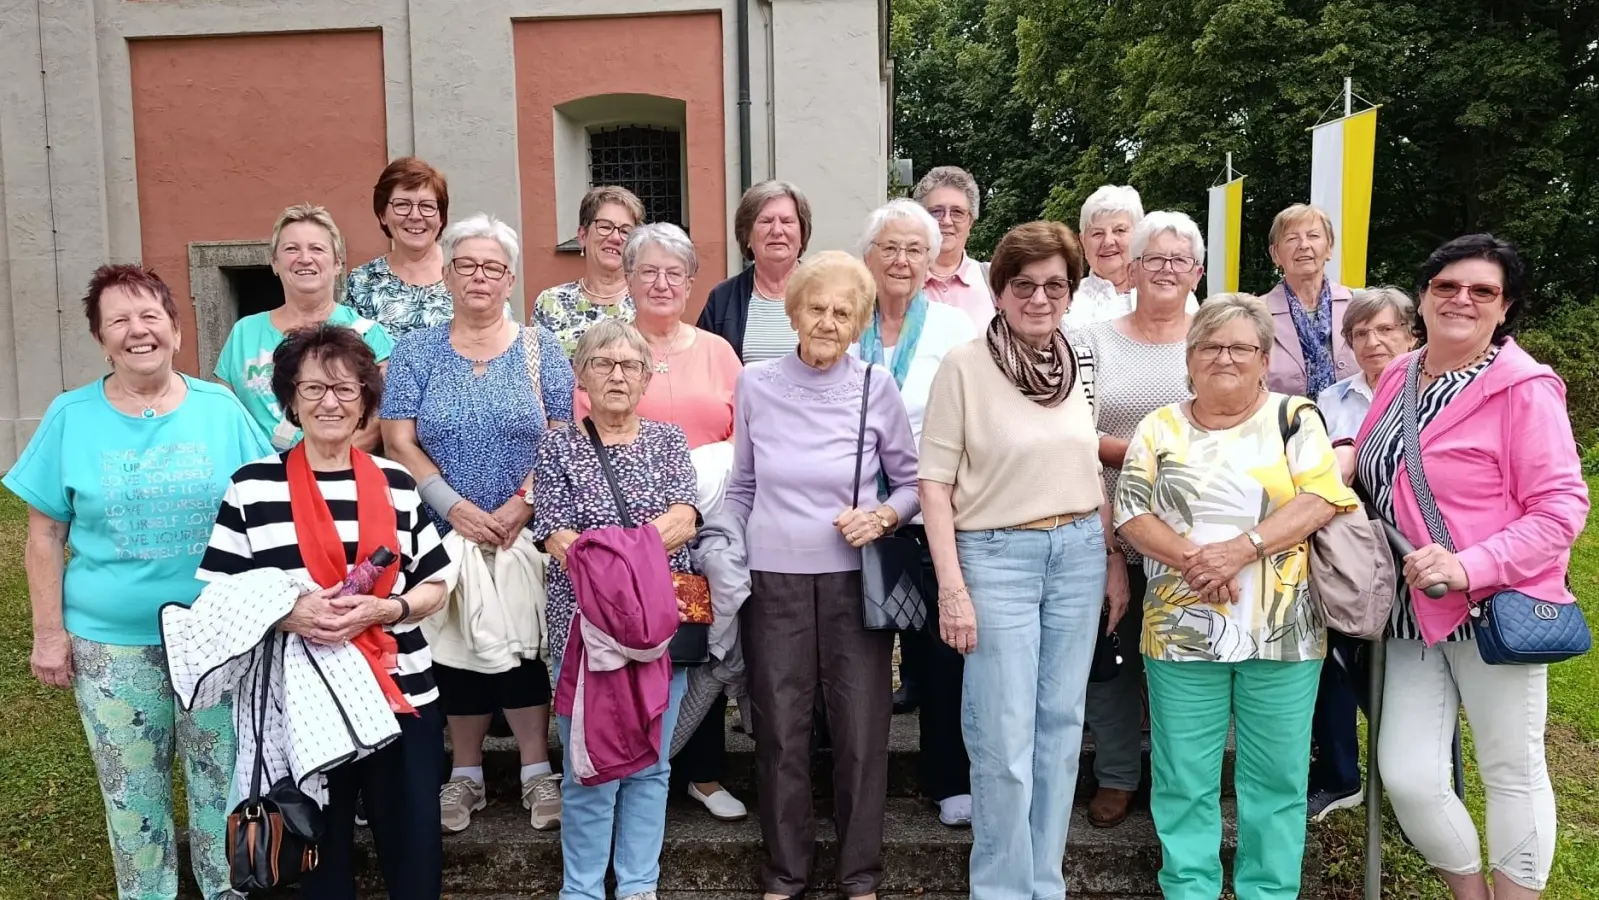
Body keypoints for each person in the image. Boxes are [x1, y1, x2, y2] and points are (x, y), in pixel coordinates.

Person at [2, 264, 271, 900]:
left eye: (150, 315)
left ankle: (226, 892)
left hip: (215, 638)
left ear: (176, 330)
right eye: (118, 320)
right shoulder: (70, 416)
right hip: (111, 644)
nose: (137, 330)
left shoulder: (221, 409)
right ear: (101, 339)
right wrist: (48, 634)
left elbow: (262, 510)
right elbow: (44, 536)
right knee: (133, 799)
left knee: (224, 785)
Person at [1356, 235, 1589, 900]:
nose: (1462, 299)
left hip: (1493, 606)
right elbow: (1380, 469)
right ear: (1423, 297)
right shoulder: (1400, 375)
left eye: (1482, 291)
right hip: (1411, 610)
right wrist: (1341, 454)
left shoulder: (1524, 388)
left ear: (1504, 307)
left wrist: (1469, 565)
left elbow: (1561, 508)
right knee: (1408, 776)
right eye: (1447, 286)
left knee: (1510, 770)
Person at [197, 324, 456, 900]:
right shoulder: (252, 488)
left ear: (365, 400)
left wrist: (385, 608)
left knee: (414, 851)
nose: (330, 403)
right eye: (313, 389)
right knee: (318, 861)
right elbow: (218, 598)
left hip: (400, 695)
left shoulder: (396, 483)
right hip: (301, 704)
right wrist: (288, 614)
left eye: (345, 389)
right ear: (290, 400)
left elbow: (436, 585)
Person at [1114, 292, 1355, 900]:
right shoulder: (1158, 426)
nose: (1224, 357)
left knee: (1276, 780)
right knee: (1182, 778)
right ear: (1189, 358)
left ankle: (1268, 892)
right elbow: (1131, 513)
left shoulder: (1295, 416)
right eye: (1210, 346)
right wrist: (1201, 561)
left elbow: (1321, 498)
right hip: (1178, 629)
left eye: (1240, 347)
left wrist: (1241, 550)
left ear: (1264, 359)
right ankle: (1188, 888)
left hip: (1283, 630)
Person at [919, 221, 1122, 899]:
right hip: (996, 557)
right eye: (1024, 285)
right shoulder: (963, 366)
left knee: (1061, 731)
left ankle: (1044, 883)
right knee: (1003, 740)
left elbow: (1086, 464)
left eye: (1055, 286)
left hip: (1077, 553)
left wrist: (1109, 556)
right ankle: (1002, 889)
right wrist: (952, 588)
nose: (1040, 298)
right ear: (1000, 291)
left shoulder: (1076, 362)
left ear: (1070, 293)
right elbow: (933, 485)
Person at [726, 251, 920, 900]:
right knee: (780, 733)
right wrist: (725, 550)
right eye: (817, 308)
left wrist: (882, 516)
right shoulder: (754, 384)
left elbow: (912, 484)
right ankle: (786, 873)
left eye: (843, 312)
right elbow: (743, 485)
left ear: (860, 322)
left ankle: (859, 875)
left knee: (861, 733)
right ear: (793, 311)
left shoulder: (874, 386)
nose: (828, 322)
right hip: (771, 581)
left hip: (852, 583)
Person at [379, 213, 575, 834]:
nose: (479, 277)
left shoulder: (543, 349)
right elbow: (398, 439)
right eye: (466, 265)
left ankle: (537, 769)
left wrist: (523, 503)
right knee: (457, 645)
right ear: (449, 275)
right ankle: (465, 776)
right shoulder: (416, 351)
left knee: (522, 645)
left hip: (524, 525)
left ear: (511, 278)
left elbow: (564, 437)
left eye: (493, 267)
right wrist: (454, 507)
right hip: (444, 526)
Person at [569, 223, 747, 822]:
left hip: (709, 515)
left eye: (675, 273)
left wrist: (705, 490)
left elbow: (744, 432)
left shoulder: (717, 351)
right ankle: (629, 765)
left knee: (707, 632)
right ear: (629, 278)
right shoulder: (607, 349)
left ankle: (701, 770)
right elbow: (585, 430)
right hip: (628, 528)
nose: (662, 283)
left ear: (691, 283)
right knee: (634, 641)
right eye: (648, 271)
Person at [531, 320, 700, 900]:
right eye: (603, 363)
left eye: (630, 365)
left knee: (652, 766)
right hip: (585, 632)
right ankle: (581, 889)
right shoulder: (558, 446)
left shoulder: (669, 440)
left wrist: (608, 557)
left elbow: (685, 519)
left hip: (656, 630)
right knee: (588, 768)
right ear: (581, 376)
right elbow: (556, 535)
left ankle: (638, 886)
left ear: (647, 377)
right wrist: (637, 558)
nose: (617, 375)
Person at [1072, 210, 1205, 830]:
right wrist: (1153, 455)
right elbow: (1076, 433)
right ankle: (1118, 774)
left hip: (1196, 533)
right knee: (1113, 658)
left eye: (1180, 260)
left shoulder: (1214, 338)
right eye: (1154, 258)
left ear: (1197, 272)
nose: (1166, 270)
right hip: (1110, 520)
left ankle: (1182, 784)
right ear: (1133, 268)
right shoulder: (1092, 340)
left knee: (1185, 667)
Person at [851, 199, 977, 827]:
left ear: (931, 261)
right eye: (889, 248)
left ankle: (949, 779)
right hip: (853, 517)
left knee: (940, 656)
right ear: (868, 256)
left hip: (931, 515)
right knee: (856, 659)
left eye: (914, 250)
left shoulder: (956, 329)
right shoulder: (845, 320)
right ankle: (852, 784)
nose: (901, 260)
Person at [1304, 285, 1419, 823]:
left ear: (1411, 334)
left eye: (1386, 329)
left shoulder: (1429, 393)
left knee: (1414, 671)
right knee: (1336, 658)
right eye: (1360, 333)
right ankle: (1340, 776)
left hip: (1417, 550)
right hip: (1351, 550)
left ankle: (1419, 786)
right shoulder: (1330, 401)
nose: (1373, 342)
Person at [216, 204, 393, 451]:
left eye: (317, 249)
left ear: (338, 263)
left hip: (339, 469)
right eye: (291, 249)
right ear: (274, 263)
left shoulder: (370, 335)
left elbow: (381, 421)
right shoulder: (244, 333)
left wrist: (319, 464)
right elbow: (224, 414)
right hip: (261, 471)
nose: (305, 258)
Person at [344, 156, 464, 337]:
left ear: (441, 217)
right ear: (382, 214)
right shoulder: (362, 282)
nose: (415, 216)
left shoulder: (468, 273)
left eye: (427, 206)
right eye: (402, 205)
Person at [697, 180, 813, 362]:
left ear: (802, 234)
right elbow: (704, 364)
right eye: (766, 221)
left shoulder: (826, 291)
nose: (777, 230)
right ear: (747, 236)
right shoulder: (722, 298)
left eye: (787, 221)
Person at [534, 185, 646, 357]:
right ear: (582, 236)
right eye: (605, 226)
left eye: (625, 231)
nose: (615, 237)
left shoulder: (646, 301)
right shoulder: (550, 302)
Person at [1067, 184, 1198, 329]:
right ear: (1083, 241)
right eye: (1097, 233)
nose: (1108, 241)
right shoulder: (1066, 301)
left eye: (1119, 230)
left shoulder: (1174, 293)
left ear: (1139, 237)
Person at [1261, 203, 1357, 397]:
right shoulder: (1257, 313)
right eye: (1291, 238)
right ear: (1275, 254)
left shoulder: (1358, 305)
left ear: (1329, 247)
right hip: (1283, 415)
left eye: (1313, 236)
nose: (1303, 245)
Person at [912, 165, 995, 328]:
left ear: (970, 222)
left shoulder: (994, 280)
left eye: (957, 212)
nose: (946, 221)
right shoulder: (901, 279)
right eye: (936, 212)